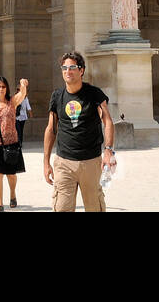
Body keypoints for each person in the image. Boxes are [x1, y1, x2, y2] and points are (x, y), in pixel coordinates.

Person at [43, 51, 114, 213]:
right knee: (61, 208)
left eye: (72, 67)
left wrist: (108, 150)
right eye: (64, 68)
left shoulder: (95, 94)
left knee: (94, 208)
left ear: (81, 70)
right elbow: (51, 129)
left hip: (90, 162)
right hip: (64, 163)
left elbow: (107, 121)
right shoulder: (57, 96)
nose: (68, 71)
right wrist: (46, 162)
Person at [0, 76, 30, 211]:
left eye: (3, 86)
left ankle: (13, 194)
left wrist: (22, 84)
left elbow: (23, 94)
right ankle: (0, 203)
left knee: (11, 174)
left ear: (6, 88)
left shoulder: (12, 102)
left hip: (12, 143)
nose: (1, 89)